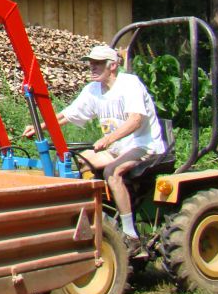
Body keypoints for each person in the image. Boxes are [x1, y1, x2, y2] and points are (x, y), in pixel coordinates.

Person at [23, 44, 165, 257]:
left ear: (113, 66)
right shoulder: (93, 90)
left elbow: (136, 120)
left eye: (97, 63)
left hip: (143, 146)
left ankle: (130, 235)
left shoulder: (130, 85)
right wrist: (39, 127)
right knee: (77, 162)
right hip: (117, 148)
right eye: (91, 63)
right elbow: (67, 115)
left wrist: (108, 139)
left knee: (112, 172)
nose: (92, 67)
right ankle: (85, 215)